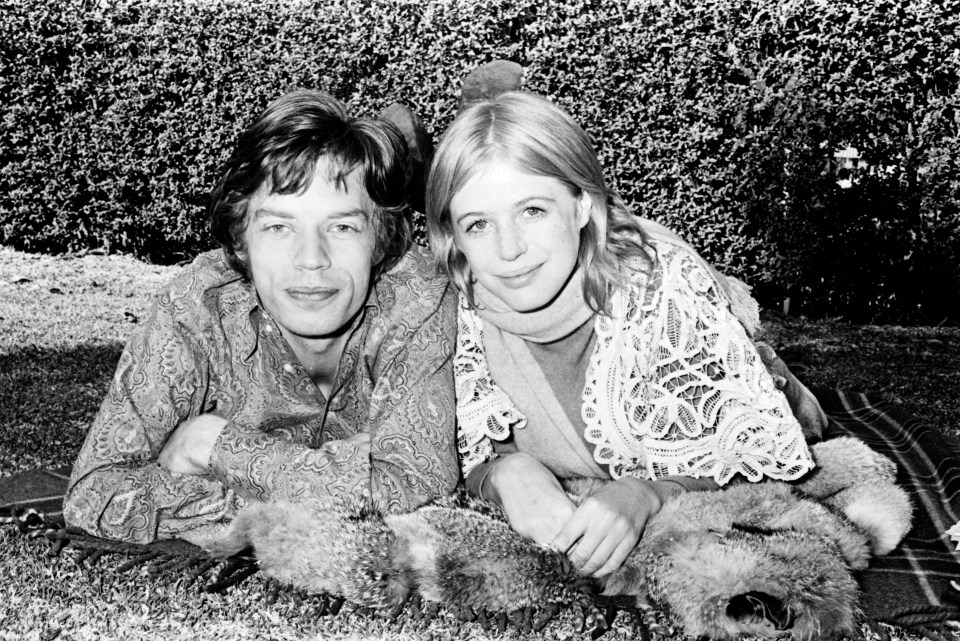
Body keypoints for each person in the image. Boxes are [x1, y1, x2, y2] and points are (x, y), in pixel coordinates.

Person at [425, 91, 814, 580]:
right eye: (479, 224)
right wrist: (505, 473)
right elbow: (453, 457)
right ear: (453, 238)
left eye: (532, 211)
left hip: (731, 356)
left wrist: (644, 493)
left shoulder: (662, 288)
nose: (510, 250)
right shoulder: (449, 312)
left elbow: (747, 454)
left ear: (582, 205)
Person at [64, 90, 459, 547]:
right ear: (241, 237)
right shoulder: (197, 308)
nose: (311, 259)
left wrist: (212, 445)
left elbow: (416, 487)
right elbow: (94, 496)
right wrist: (327, 478)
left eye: (343, 227)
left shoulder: (421, 301)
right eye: (278, 227)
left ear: (381, 239)